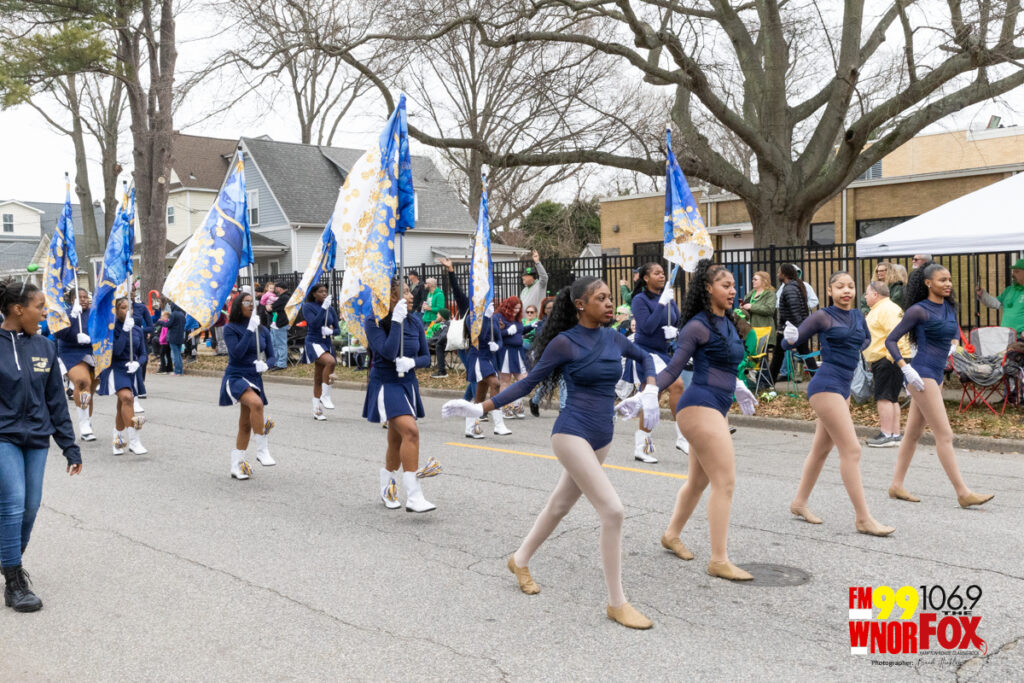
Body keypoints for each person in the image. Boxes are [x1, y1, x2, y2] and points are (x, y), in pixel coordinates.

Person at [441, 277, 659, 629]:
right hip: (572, 432)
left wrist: (649, 389)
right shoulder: (564, 342)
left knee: (559, 506)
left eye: (610, 297)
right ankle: (617, 603)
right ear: (580, 305)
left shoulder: (613, 338)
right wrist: (482, 407)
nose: (609, 303)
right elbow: (529, 383)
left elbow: (645, 356)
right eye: (601, 298)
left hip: (603, 434)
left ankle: (520, 559)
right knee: (613, 511)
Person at [639, 260, 759, 581]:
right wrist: (649, 392)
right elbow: (673, 368)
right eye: (725, 285)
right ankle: (719, 560)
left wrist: (738, 385)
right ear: (708, 288)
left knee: (698, 482)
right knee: (725, 482)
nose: (732, 291)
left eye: (733, 285)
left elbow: (727, 362)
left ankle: (671, 534)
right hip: (699, 405)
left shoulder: (729, 322)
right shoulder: (697, 326)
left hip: (717, 406)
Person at [780, 272, 894, 536]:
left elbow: (866, 339)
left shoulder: (857, 316)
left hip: (844, 386)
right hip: (826, 385)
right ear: (830, 291)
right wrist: (790, 337)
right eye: (840, 286)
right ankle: (863, 518)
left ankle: (799, 503)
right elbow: (790, 343)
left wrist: (849, 346)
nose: (846, 290)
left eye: (851, 286)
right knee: (852, 450)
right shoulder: (823, 316)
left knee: (821, 450)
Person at [0, 278, 83, 613]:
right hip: (3, 436)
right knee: (13, 503)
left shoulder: (46, 347)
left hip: (36, 437)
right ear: (18, 310)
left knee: (31, 507)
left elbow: (56, 401)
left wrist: (69, 446)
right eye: (40, 307)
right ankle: (14, 581)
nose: (45, 313)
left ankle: (9, 557)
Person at [885, 262, 994, 508]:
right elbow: (890, 341)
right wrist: (905, 368)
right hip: (921, 374)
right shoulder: (918, 311)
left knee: (912, 434)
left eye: (949, 280)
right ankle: (963, 493)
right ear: (928, 283)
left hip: (937, 374)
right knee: (945, 434)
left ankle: (896, 485)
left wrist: (953, 344)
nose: (948, 284)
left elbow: (954, 329)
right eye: (942, 280)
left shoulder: (948, 306)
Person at [364, 279, 435, 512]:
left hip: (408, 384)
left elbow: (426, 357)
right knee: (411, 431)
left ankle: (387, 487)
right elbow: (387, 351)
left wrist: (412, 362)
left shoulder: (415, 321)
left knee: (396, 441)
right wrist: (395, 321)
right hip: (386, 383)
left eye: (409, 290)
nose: (411, 295)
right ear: (390, 297)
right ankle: (414, 495)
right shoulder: (373, 321)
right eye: (404, 291)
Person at [629, 262, 686, 463]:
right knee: (677, 385)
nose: (662, 276)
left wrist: (675, 331)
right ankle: (682, 437)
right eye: (657, 273)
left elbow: (678, 320)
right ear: (646, 278)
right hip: (645, 353)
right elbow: (647, 327)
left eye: (663, 273)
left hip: (662, 353)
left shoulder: (668, 297)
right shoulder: (639, 300)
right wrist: (661, 304)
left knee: (652, 398)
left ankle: (642, 448)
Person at [220, 292, 276, 479]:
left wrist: (266, 365)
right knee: (256, 404)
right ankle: (262, 450)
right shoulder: (230, 328)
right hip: (236, 375)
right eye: (246, 302)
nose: (251, 305)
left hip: (254, 377)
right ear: (238, 306)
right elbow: (236, 354)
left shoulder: (263, 330)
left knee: (245, 425)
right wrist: (250, 330)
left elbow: (273, 356)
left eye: (253, 302)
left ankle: (236, 466)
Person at [97, 298, 147, 455]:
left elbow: (144, 354)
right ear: (116, 310)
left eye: (129, 308)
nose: (127, 311)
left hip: (131, 371)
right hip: (115, 368)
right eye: (123, 307)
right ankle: (134, 442)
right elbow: (117, 352)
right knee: (127, 398)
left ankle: (117, 439)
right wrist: (125, 331)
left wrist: (138, 363)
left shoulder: (137, 330)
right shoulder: (111, 329)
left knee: (122, 406)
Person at [863, 281, 910, 448]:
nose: (865, 297)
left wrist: (892, 358)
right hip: (888, 358)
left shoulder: (886, 309)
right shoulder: (883, 308)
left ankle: (886, 434)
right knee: (891, 398)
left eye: (867, 293)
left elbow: (897, 334)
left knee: (883, 397)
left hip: (887, 358)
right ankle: (895, 434)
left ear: (875, 294)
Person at [54, 288, 98, 442]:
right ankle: (84, 425)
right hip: (70, 352)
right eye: (80, 297)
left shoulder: (94, 313)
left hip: (91, 352)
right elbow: (58, 333)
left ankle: (87, 419)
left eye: (86, 297)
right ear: (72, 300)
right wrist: (72, 318)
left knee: (89, 390)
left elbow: (102, 331)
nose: (84, 299)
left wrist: (91, 339)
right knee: (82, 382)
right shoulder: (65, 313)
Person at [768, 263, 818, 384]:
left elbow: (794, 310)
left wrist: (797, 330)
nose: (778, 274)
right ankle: (818, 379)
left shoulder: (790, 289)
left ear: (785, 274)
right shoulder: (794, 286)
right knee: (803, 354)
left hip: (791, 329)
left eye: (779, 272)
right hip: (793, 327)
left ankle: (769, 382)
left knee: (778, 356)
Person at [301, 284, 339, 420]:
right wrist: (323, 309)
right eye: (320, 291)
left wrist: (331, 331)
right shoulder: (307, 307)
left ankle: (316, 410)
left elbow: (338, 330)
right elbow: (314, 324)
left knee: (318, 377)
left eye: (325, 291)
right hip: (314, 342)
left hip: (326, 343)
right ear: (313, 294)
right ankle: (325, 396)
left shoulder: (331, 309)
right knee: (330, 362)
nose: (324, 293)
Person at [495, 296, 528, 419]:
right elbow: (493, 333)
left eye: (519, 308)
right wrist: (507, 332)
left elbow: (520, 331)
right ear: (508, 306)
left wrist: (532, 326)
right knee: (505, 380)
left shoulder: (517, 318)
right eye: (515, 308)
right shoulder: (499, 317)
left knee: (524, 379)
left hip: (518, 351)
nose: (517, 311)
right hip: (505, 352)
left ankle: (517, 404)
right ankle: (505, 407)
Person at [976, 257, 1024, 334]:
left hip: (1021, 337)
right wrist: (982, 294)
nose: (1013, 274)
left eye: (1017, 272)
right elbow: (996, 303)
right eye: (1013, 271)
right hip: (1007, 335)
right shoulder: (1009, 290)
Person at [528, 296, 557, 416]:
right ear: (544, 310)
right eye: (549, 308)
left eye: (553, 307)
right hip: (547, 356)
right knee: (549, 383)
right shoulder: (541, 323)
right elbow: (541, 336)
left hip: (562, 355)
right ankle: (534, 401)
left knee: (563, 381)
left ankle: (563, 409)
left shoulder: (562, 321)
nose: (551, 310)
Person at [740, 271, 776, 340]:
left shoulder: (770, 294)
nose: (752, 281)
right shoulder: (751, 293)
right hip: (749, 331)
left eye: (755, 279)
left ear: (764, 281)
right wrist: (742, 307)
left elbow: (769, 309)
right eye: (752, 279)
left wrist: (751, 306)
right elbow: (746, 310)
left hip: (763, 331)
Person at [155, 303, 187, 376]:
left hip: (173, 337)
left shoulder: (173, 314)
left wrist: (160, 322)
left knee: (175, 355)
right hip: (180, 336)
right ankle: (180, 371)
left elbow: (168, 324)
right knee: (178, 354)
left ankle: (177, 371)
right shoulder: (182, 314)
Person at [269, 283, 290, 370]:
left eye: (276, 288)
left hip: (280, 323)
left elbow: (273, 307)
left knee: (280, 344)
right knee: (274, 343)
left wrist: (270, 307)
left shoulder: (284, 297)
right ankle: (276, 362)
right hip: (277, 323)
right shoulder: (284, 297)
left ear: (279, 288)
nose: (275, 290)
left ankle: (281, 363)